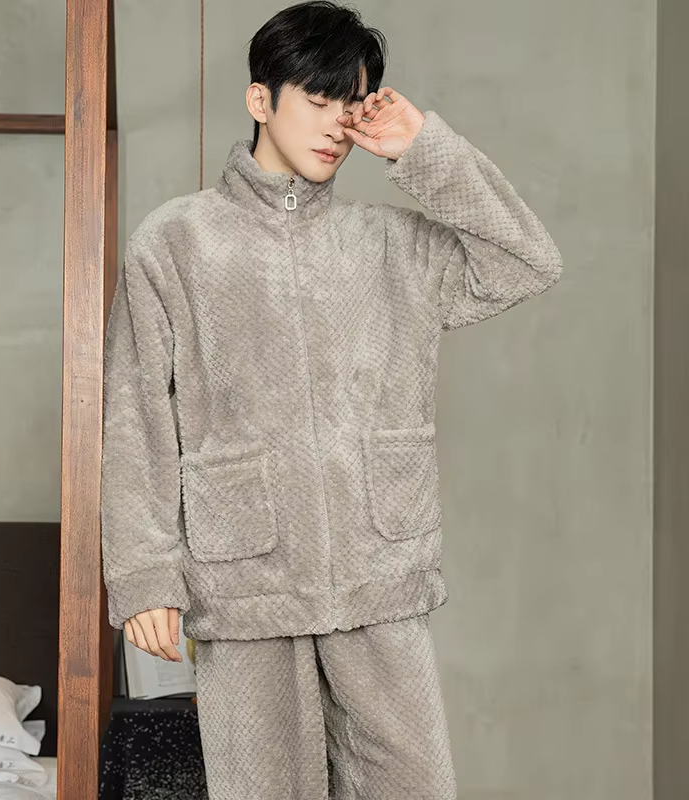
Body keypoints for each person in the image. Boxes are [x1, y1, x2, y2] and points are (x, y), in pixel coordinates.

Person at [100, 2, 563, 797]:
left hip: (379, 571)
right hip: (247, 579)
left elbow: (527, 261)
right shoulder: (175, 243)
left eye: (349, 105)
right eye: (316, 100)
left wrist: (424, 148)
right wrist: (145, 576)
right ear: (260, 100)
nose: (334, 126)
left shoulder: (392, 243)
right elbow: (134, 416)